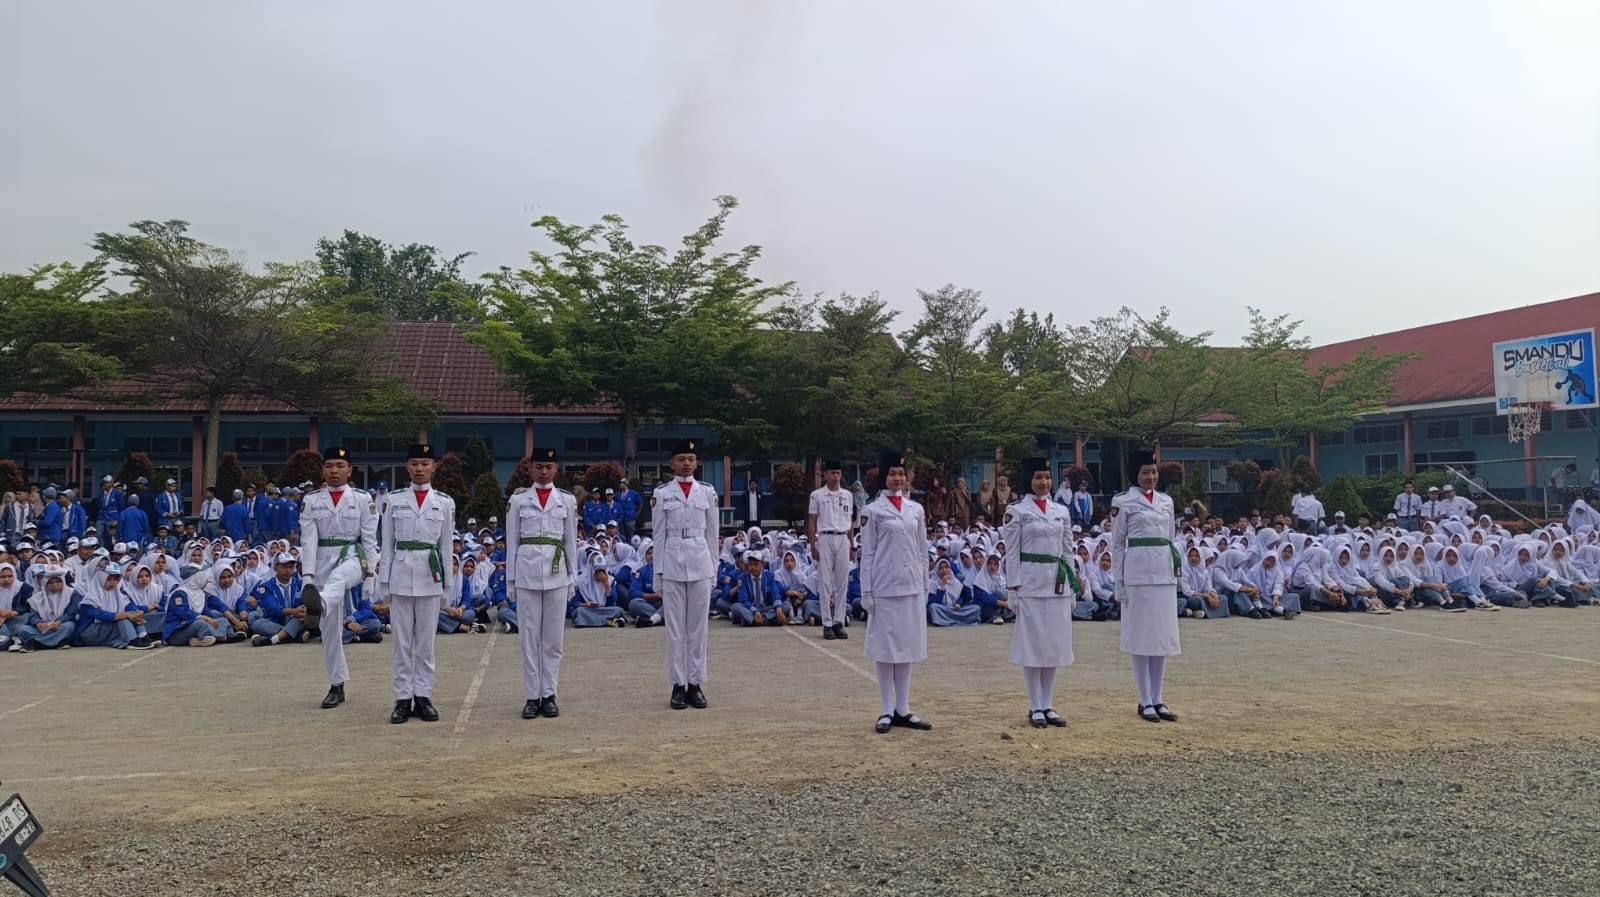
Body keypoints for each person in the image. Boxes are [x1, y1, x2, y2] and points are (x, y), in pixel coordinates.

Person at [377, 443, 456, 724]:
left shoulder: (445, 502)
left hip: (430, 576)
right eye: (414, 463)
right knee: (401, 642)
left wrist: (447, 587)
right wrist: (383, 584)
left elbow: (446, 547)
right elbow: (386, 544)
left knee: (425, 643)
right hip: (400, 576)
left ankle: (423, 696)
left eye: (425, 463)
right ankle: (401, 698)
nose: (419, 469)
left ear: (434, 466)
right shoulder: (394, 500)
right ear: (407, 468)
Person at [298, 446, 380, 710]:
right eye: (329, 466)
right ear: (323, 470)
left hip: (352, 556)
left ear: (349, 470)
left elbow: (369, 539)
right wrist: (307, 577)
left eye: (340, 466)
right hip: (322, 560)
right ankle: (337, 684)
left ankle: (318, 602)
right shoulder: (311, 500)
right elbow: (308, 541)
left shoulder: (362, 499)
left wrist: (370, 575)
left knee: (339, 581)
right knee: (329, 632)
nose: (334, 471)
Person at [504, 446, 580, 720]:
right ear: (530, 469)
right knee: (529, 639)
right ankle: (531, 696)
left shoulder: (567, 501)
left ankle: (549, 694)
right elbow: (512, 541)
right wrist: (510, 580)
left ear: (556, 469)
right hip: (526, 574)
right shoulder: (519, 500)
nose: (544, 471)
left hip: (557, 574)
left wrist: (573, 577)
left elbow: (571, 540)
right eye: (539, 466)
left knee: (553, 640)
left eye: (549, 467)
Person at [859, 452, 933, 734]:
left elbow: (921, 548)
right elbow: (868, 554)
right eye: (892, 474)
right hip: (884, 586)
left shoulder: (916, 509)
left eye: (901, 474)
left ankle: (903, 708)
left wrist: (925, 585)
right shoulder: (872, 511)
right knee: (885, 649)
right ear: (883, 478)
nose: (898, 479)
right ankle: (886, 708)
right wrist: (867, 591)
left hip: (911, 584)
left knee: (906, 647)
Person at [1000, 457, 1076, 727]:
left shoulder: (1061, 511)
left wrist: (1073, 585)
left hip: (1056, 583)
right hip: (1030, 583)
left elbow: (1067, 550)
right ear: (1028, 481)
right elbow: (1011, 552)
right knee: (1033, 646)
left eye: (1047, 477)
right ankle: (1034, 705)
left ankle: (1048, 704)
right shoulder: (1017, 511)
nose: (1043, 483)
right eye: (1037, 478)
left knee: (1052, 646)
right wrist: (1013, 588)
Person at [1111, 451, 1181, 724]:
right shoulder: (1123, 502)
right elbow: (1117, 545)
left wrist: (1177, 573)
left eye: (1153, 472)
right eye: (1144, 472)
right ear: (1134, 475)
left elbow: (1171, 539)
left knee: (1160, 639)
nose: (1150, 477)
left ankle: (1159, 697)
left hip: (1163, 573)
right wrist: (1119, 582)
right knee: (1141, 638)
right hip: (1138, 574)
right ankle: (1144, 700)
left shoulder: (1166, 501)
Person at [652, 439, 719, 710]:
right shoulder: (662, 494)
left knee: (698, 629)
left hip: (700, 559)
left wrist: (713, 569)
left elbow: (713, 535)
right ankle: (678, 685)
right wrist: (658, 572)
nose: (687, 464)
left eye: (691, 459)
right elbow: (657, 535)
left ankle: (696, 683)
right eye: (681, 459)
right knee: (676, 629)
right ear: (672, 463)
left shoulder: (707, 492)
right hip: (672, 561)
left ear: (696, 462)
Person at [807, 459, 855, 640]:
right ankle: (827, 623)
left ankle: (839, 621)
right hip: (825, 536)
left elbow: (850, 522)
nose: (835, 477)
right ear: (825, 474)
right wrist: (813, 545)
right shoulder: (817, 495)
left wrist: (852, 544)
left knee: (843, 582)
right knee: (825, 582)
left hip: (843, 537)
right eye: (832, 473)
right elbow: (812, 521)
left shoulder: (847, 495)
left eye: (838, 473)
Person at [249, 553, 313, 645]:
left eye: (291, 567)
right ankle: (293, 635)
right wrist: (293, 611)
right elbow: (273, 608)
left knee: (302, 618)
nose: (287, 570)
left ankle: (272, 640)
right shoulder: (266, 587)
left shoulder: (301, 584)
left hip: (295, 619)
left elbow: (305, 604)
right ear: (275, 568)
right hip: (275, 621)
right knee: (257, 624)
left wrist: (303, 611)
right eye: (284, 567)